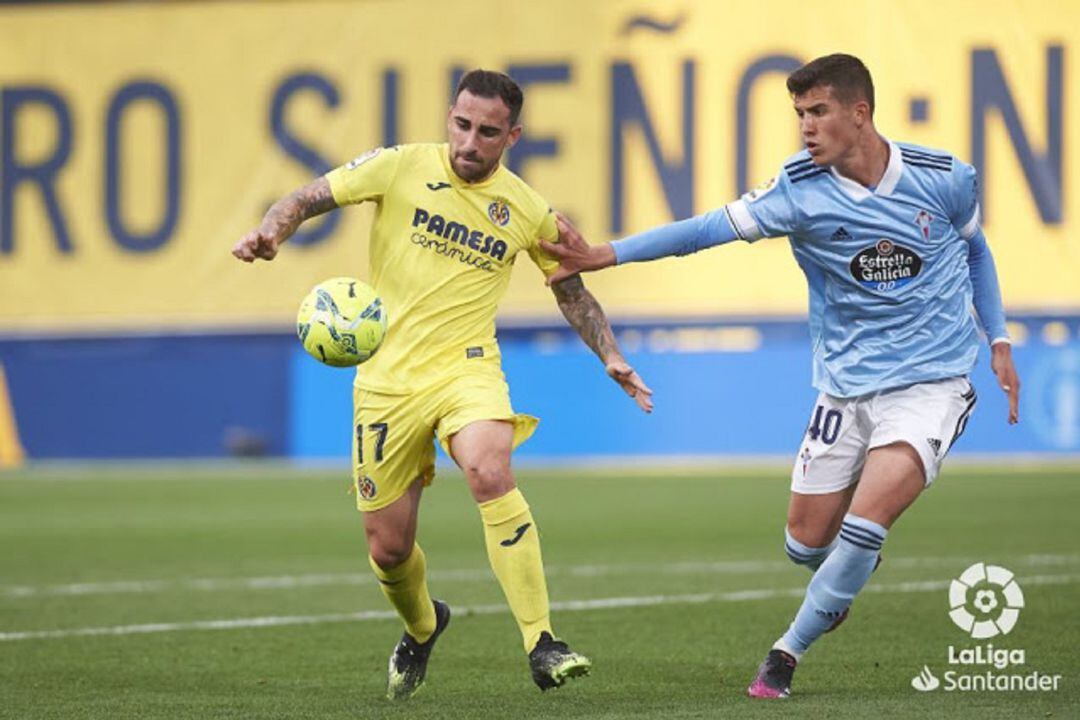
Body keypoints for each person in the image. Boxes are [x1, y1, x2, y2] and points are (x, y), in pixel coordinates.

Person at [538, 53, 1020, 699]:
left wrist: (999, 339)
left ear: (860, 112)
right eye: (799, 114)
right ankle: (841, 576)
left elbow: (975, 249)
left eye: (818, 111)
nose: (806, 127)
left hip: (932, 381)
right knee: (803, 545)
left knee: (867, 519)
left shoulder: (946, 178)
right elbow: (706, 229)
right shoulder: (798, 188)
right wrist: (606, 254)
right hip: (844, 387)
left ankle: (784, 655)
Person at [233, 69, 653, 700]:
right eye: (462, 125)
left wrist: (610, 354)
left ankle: (542, 641)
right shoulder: (399, 166)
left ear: (512, 135)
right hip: (387, 382)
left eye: (488, 132)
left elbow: (570, 288)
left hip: (468, 368)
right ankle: (424, 626)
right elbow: (305, 198)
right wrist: (272, 231)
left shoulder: (526, 210)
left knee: (489, 468)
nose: (470, 142)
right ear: (449, 118)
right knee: (388, 550)